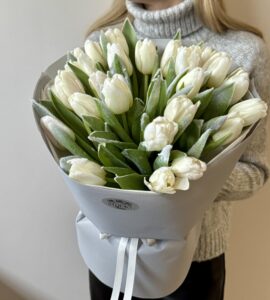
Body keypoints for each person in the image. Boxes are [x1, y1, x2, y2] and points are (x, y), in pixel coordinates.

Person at [85, 0, 270, 299]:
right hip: (113, 254)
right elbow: (85, 161)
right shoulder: (103, 43)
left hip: (196, 264)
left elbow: (255, 171)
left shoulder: (243, 51)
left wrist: (187, 179)